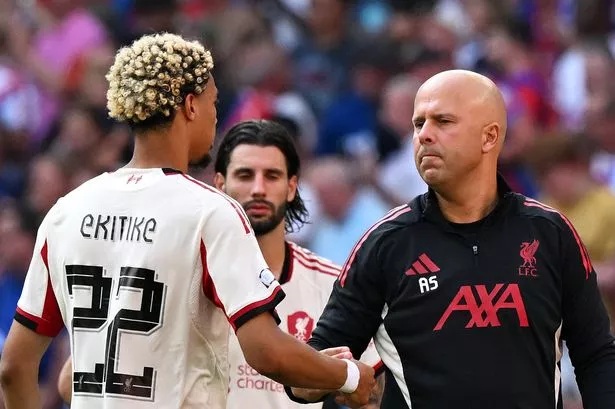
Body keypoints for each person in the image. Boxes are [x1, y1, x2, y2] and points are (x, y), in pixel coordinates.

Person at [0, 33, 375, 409]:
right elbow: (265, 352)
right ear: (191, 105)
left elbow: (14, 368)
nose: (216, 117)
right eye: (214, 103)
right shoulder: (210, 211)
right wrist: (347, 376)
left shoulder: (66, 212)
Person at [288, 69, 615, 408]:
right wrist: (326, 376)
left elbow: (596, 354)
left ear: (489, 137)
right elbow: (313, 366)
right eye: (418, 124)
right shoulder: (386, 243)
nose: (424, 135)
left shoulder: (550, 233)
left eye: (443, 121)